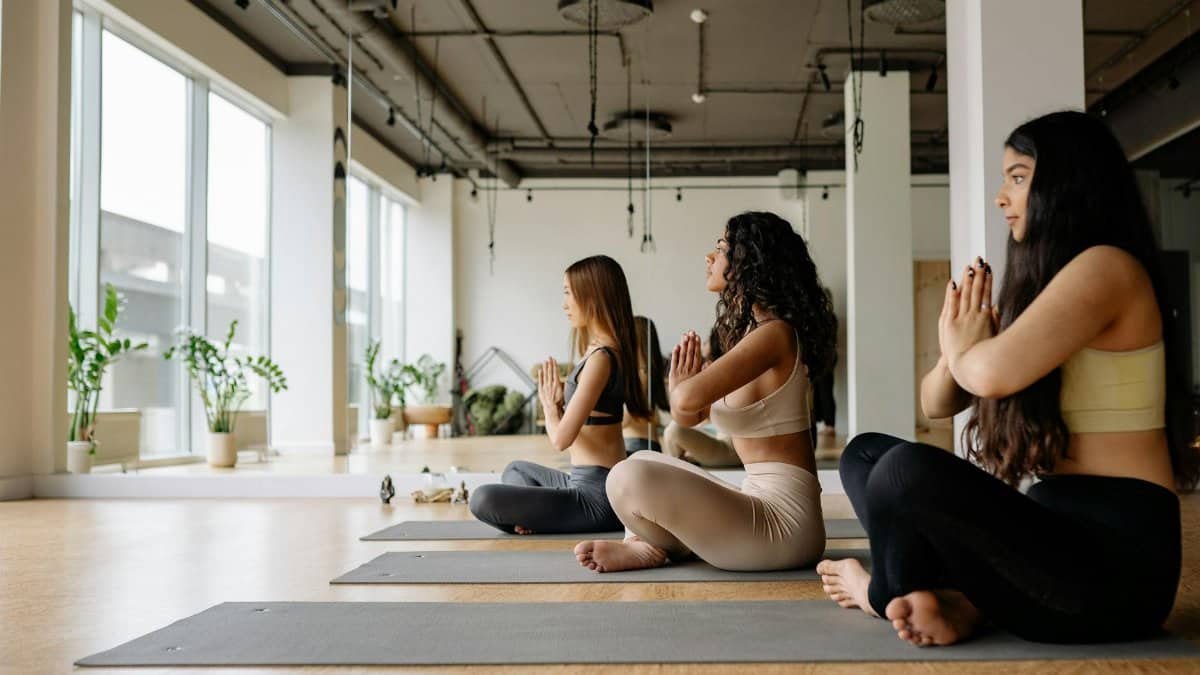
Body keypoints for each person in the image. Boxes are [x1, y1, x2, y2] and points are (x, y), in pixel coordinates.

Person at [818, 110, 1194, 647]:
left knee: (902, 471)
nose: (1002, 197)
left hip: (1115, 576)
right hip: (1049, 546)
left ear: (1067, 183)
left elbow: (990, 376)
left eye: (1017, 178)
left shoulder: (1109, 268)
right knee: (866, 454)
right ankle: (958, 602)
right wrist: (955, 353)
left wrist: (964, 347)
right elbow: (936, 404)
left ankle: (884, 591)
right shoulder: (1056, 287)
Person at [575, 211, 837, 571]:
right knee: (639, 461)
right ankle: (653, 545)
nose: (709, 257)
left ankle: (658, 547)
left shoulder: (775, 334)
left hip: (785, 526)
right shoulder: (752, 335)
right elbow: (688, 416)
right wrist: (681, 389)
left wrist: (681, 389)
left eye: (721, 248)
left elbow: (685, 401)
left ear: (751, 262)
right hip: (757, 502)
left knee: (626, 477)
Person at [469, 255, 651, 534]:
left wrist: (550, 408)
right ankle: (530, 516)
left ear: (592, 295)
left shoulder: (602, 358)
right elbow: (582, 428)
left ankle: (530, 517)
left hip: (597, 498)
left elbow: (560, 439)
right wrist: (558, 405)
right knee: (516, 470)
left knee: (482, 499)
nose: (564, 303)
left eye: (568, 293)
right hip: (579, 482)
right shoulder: (599, 351)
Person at [662, 326, 742, 468]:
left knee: (673, 430)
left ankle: (680, 469)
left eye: (705, 342)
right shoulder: (711, 370)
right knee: (674, 429)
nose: (702, 345)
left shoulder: (721, 372)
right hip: (716, 439)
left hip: (729, 448)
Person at [622, 316, 670, 455]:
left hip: (635, 446)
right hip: (645, 444)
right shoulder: (648, 370)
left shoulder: (641, 374)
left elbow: (629, 414)